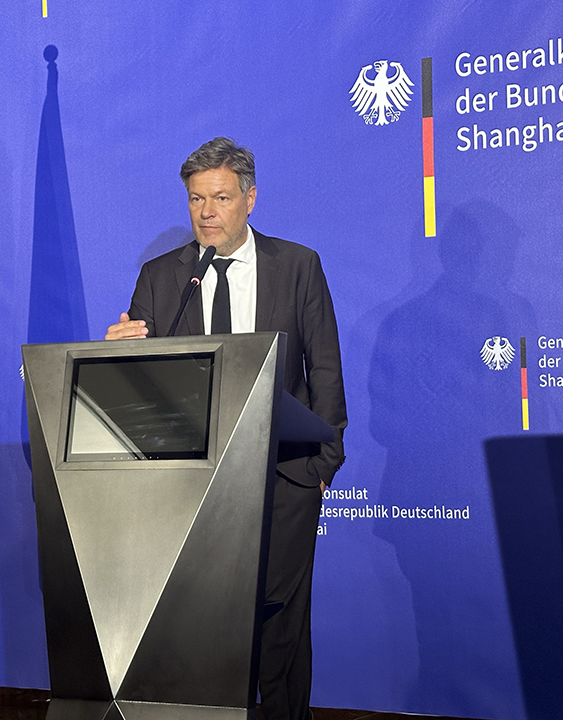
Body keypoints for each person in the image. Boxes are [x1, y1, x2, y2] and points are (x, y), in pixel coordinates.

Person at [106, 137, 346, 720]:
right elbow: (142, 391)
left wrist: (321, 467)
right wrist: (116, 356)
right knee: (203, 625)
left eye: (220, 198)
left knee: (281, 627)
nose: (206, 212)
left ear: (250, 199)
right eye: (195, 200)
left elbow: (325, 367)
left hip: (283, 475)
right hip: (191, 487)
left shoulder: (297, 266)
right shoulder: (162, 278)